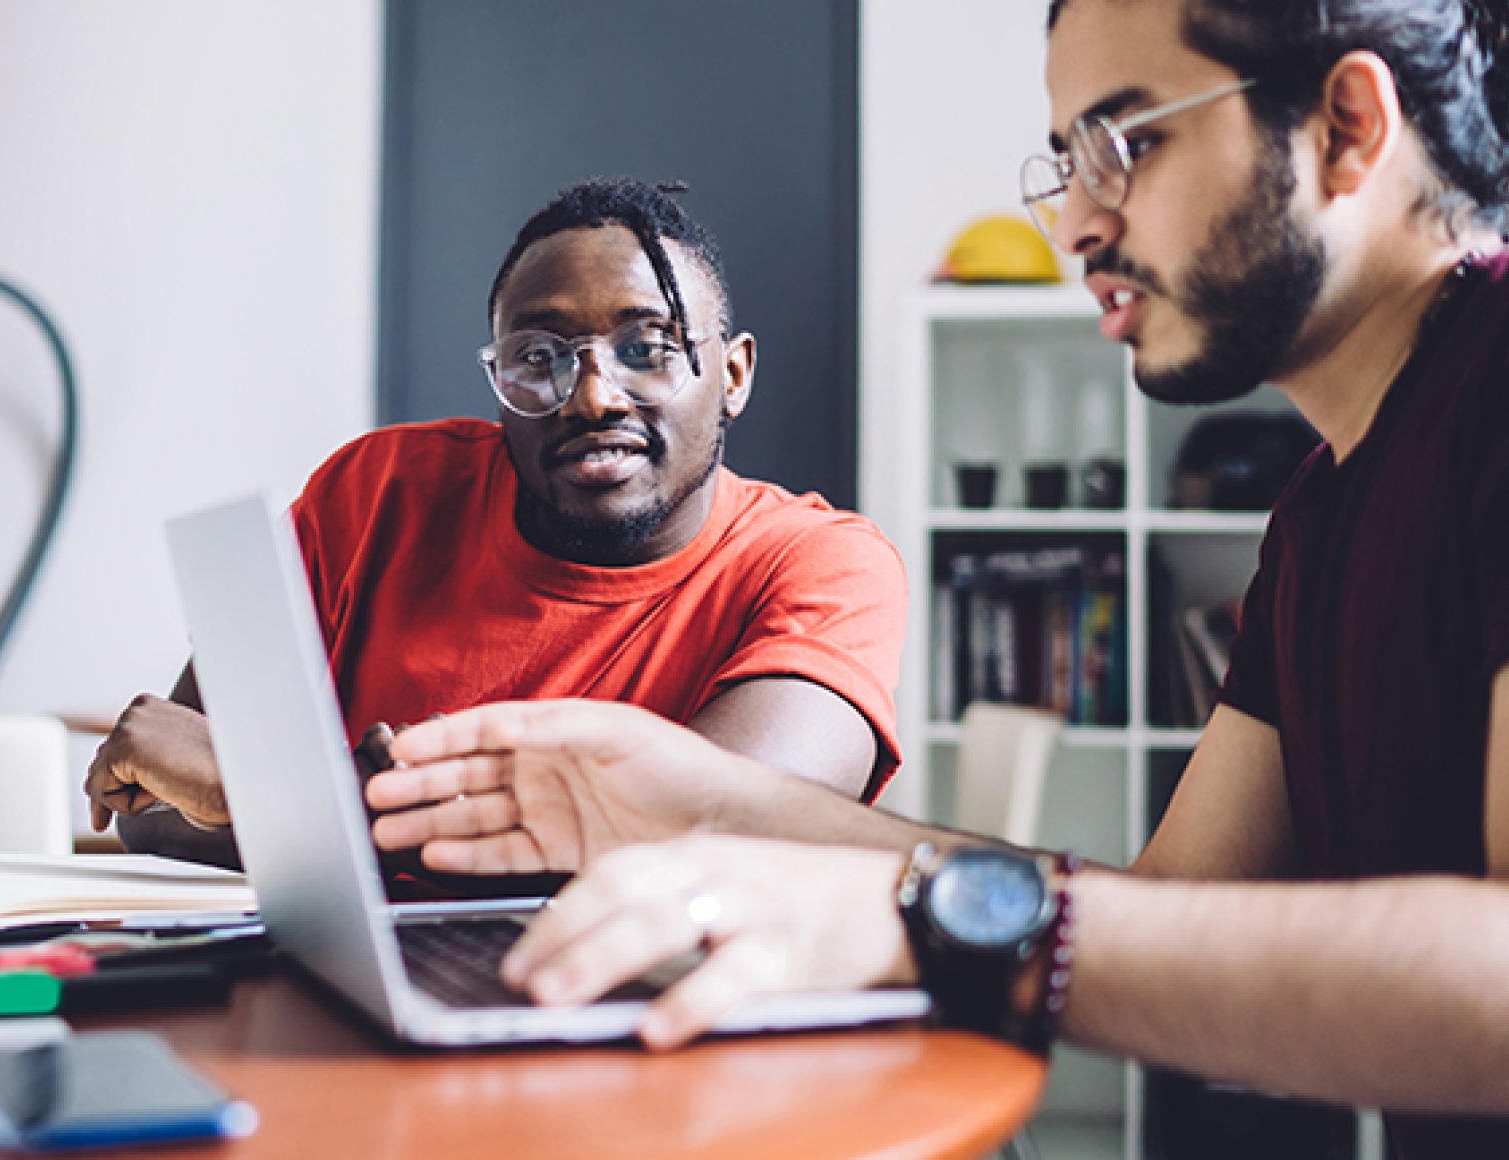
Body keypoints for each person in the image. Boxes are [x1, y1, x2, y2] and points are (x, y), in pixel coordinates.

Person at [364, 1, 1509, 1152]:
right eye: (1065, 164)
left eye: (1126, 144)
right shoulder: (1319, 510)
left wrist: (925, 921)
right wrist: (704, 801)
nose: (1074, 224)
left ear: (1347, 124)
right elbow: (1168, 909)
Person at [85, 177, 907, 876]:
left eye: (647, 347)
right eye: (539, 358)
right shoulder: (373, 495)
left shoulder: (823, 565)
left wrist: (283, 798)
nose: (591, 397)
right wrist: (328, 808)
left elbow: (721, 833)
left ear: (732, 375)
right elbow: (158, 800)